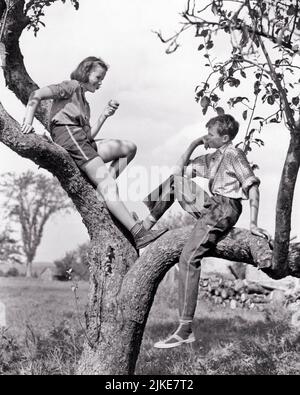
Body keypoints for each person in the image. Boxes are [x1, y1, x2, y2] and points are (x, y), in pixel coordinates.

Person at [21, 56, 167, 249]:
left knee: (129, 148)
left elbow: (89, 135)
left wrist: (104, 115)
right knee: (107, 184)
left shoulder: (85, 103)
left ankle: (104, 188)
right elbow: (36, 95)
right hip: (69, 136)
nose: (100, 83)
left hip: (81, 140)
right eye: (98, 77)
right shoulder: (71, 86)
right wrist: (28, 122)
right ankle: (138, 233)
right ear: (85, 72)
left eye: (102, 79)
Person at [153, 114, 271, 348]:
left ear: (225, 137)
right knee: (176, 181)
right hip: (212, 205)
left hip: (225, 207)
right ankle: (145, 225)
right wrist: (193, 143)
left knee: (188, 256)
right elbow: (179, 171)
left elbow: (253, 187)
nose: (206, 138)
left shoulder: (233, 154)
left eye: (210, 135)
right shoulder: (211, 159)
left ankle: (185, 328)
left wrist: (254, 223)